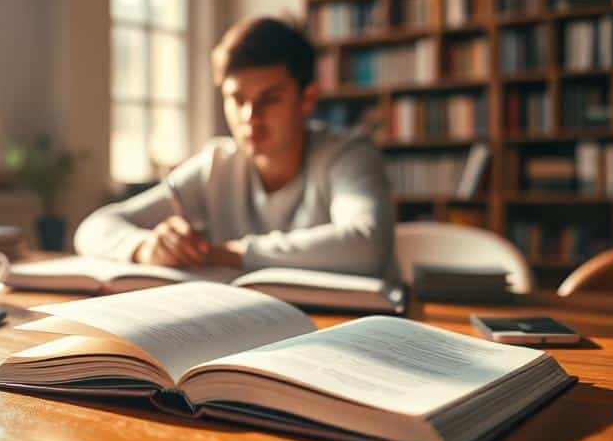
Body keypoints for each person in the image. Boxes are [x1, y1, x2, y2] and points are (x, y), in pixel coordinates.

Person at [74, 16, 396, 279]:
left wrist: (228, 254)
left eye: (269, 99)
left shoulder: (349, 154)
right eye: (237, 99)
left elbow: (367, 246)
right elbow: (93, 228)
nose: (250, 117)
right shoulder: (217, 165)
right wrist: (146, 246)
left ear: (307, 98)